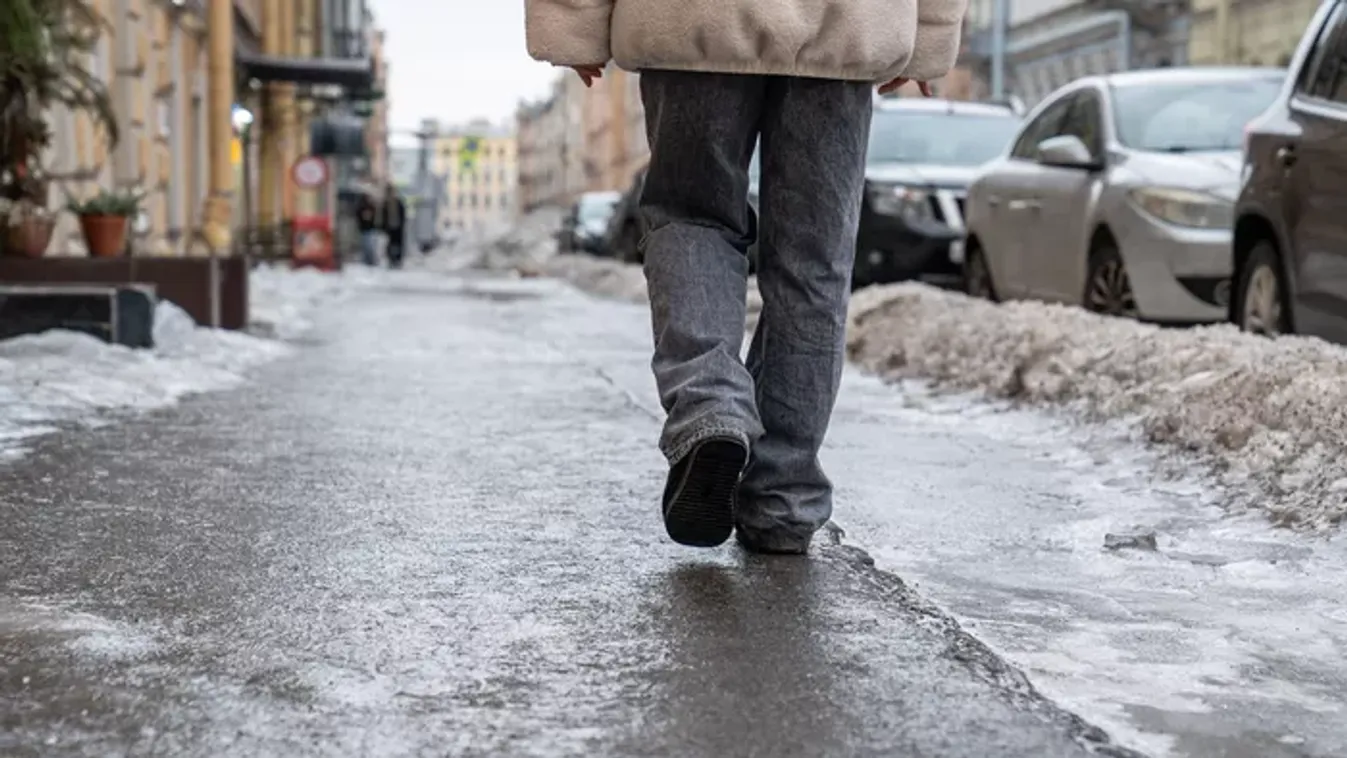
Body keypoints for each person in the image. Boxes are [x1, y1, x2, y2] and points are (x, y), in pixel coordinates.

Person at [526, 0, 965, 554]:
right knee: (814, 258)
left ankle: (711, 404)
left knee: (692, 216)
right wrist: (930, 32)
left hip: (693, 21)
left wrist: (573, 23)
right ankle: (783, 495)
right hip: (846, 22)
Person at [382, 184, 407, 269]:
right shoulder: (386, 203)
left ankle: (397, 260)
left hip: (398, 227)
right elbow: (383, 216)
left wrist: (402, 224)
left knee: (398, 244)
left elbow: (403, 214)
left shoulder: (398, 202)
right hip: (389, 228)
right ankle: (391, 259)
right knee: (390, 244)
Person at [356, 187, 382, 266]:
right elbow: (359, 216)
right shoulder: (361, 206)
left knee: (371, 245)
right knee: (367, 245)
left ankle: (371, 259)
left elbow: (375, 216)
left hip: (371, 228)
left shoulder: (372, 206)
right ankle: (368, 260)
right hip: (365, 228)